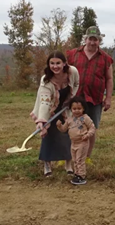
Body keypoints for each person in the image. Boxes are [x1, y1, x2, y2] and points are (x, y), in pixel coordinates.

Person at [66, 26, 114, 162]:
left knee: (91, 128)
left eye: (96, 40)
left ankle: (86, 157)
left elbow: (109, 79)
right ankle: (69, 157)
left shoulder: (106, 58)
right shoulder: (73, 54)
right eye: (90, 39)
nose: (93, 42)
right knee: (70, 126)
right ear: (85, 39)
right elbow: (64, 74)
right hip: (75, 97)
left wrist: (108, 98)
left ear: (99, 41)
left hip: (95, 98)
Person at [30, 51, 79, 179]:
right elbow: (44, 102)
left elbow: (76, 84)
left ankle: (68, 165)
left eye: (58, 63)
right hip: (49, 108)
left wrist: (71, 99)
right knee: (48, 136)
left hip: (66, 108)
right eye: (52, 63)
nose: (55, 66)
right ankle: (47, 165)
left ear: (64, 64)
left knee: (68, 135)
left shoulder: (72, 72)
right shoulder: (46, 80)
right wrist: (41, 121)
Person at [56, 96, 96, 185]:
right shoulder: (69, 119)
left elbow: (92, 128)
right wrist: (59, 126)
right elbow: (63, 129)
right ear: (70, 109)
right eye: (74, 109)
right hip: (73, 143)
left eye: (79, 108)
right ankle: (77, 174)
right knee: (74, 159)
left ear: (83, 109)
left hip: (82, 142)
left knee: (80, 159)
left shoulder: (85, 118)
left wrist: (87, 135)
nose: (76, 111)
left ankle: (81, 176)